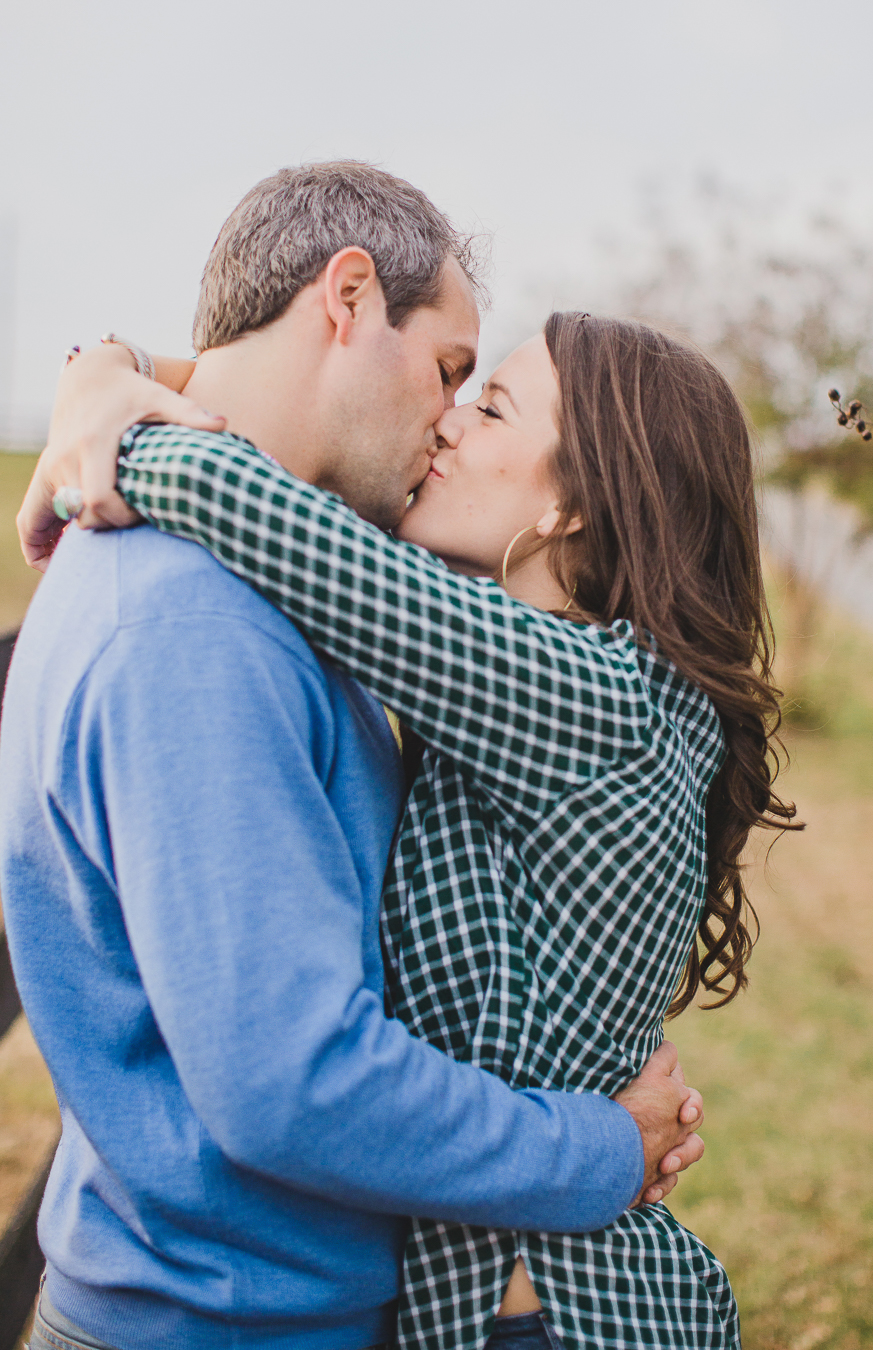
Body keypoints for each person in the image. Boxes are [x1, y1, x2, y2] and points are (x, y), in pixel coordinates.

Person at [3, 164, 704, 1350]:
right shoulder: (198, 624)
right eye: (448, 373)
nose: (448, 417)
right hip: (228, 1317)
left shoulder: (298, 586)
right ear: (346, 297)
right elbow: (290, 1085)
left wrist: (107, 378)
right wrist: (591, 1149)